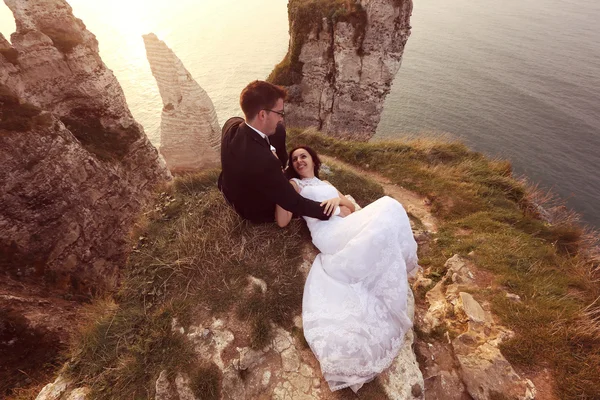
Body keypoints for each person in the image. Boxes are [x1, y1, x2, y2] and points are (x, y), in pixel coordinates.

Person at [276, 146, 419, 393]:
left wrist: (338, 200)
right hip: (329, 233)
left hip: (346, 223)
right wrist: (279, 185)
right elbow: (282, 221)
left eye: (303, 156)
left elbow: (350, 208)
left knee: (391, 208)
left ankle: (390, 270)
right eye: (295, 158)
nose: (299, 160)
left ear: (313, 160)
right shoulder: (294, 185)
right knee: (387, 208)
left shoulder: (327, 182)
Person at [218, 80, 340, 223]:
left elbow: (236, 120)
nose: (281, 118)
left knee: (279, 131)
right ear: (262, 115)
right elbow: (295, 203)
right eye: (279, 113)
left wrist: (271, 149)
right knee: (290, 184)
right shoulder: (266, 162)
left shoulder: (231, 127)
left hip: (228, 188)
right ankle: (304, 178)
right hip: (251, 210)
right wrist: (331, 210)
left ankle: (288, 169)